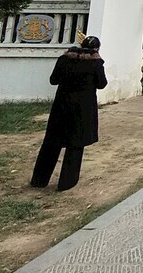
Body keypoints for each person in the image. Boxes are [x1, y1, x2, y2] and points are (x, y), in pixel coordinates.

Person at [30, 35, 107, 192]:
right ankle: (66, 182)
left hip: (61, 106)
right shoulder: (95, 62)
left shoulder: (64, 59)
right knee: (76, 144)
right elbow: (102, 84)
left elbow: (53, 80)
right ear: (97, 48)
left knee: (51, 143)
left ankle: (39, 180)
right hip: (82, 109)